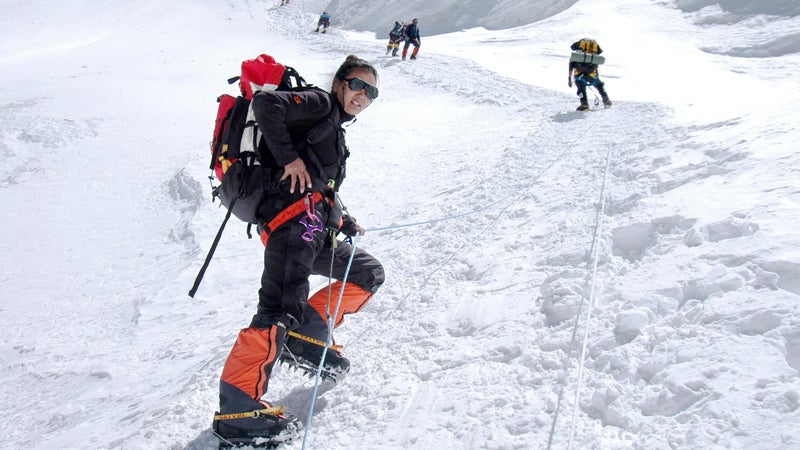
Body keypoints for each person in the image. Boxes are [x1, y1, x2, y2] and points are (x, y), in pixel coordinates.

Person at [212, 55, 385, 445]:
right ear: (340, 82)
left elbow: (320, 184)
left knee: (366, 273)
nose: (364, 95)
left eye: (372, 92)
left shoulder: (331, 129)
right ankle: (237, 409)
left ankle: (307, 331)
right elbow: (266, 104)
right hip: (292, 223)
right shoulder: (321, 104)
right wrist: (289, 159)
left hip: (313, 227)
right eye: (358, 85)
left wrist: (342, 218)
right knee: (278, 307)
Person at [568, 38, 611, 111]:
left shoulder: (580, 42)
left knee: (580, 87)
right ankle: (606, 100)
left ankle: (584, 104)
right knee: (599, 85)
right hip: (592, 72)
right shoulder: (595, 43)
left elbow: (572, 47)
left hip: (579, 72)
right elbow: (599, 52)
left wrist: (569, 78)